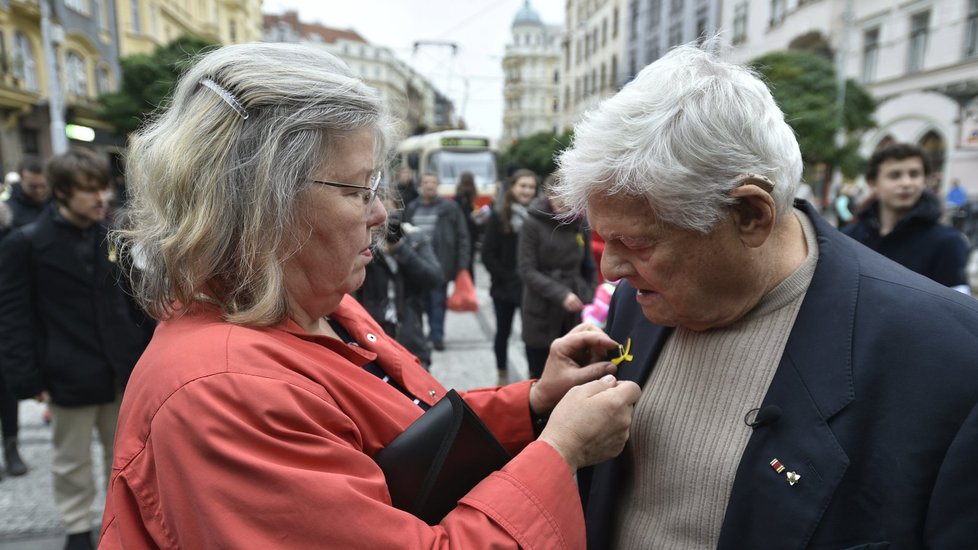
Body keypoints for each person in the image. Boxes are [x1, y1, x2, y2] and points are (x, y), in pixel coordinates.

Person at [98, 42, 641, 549]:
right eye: (358, 189)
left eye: (378, 187)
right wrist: (558, 453)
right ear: (265, 205)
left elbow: (404, 437)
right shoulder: (221, 393)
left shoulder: (317, 308)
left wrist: (532, 404)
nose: (381, 213)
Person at [555, 42, 978, 548]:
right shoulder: (642, 298)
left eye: (638, 243)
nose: (611, 270)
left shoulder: (951, 360)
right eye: (606, 238)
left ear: (751, 215)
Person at [0, 150, 154, 550]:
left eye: (102, 187)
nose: (101, 197)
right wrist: (27, 377)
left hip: (120, 367)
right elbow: (13, 316)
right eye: (89, 190)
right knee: (72, 460)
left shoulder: (110, 238)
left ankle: (118, 523)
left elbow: (136, 302)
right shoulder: (26, 243)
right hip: (67, 370)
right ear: (63, 192)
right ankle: (76, 529)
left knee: (125, 458)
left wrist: (148, 356)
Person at [843, 143, 970, 293]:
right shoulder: (848, 238)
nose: (906, 183)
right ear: (873, 183)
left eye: (914, 174)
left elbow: (956, 309)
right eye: (895, 175)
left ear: (924, 180)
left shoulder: (947, 242)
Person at [518, 178, 596, 379]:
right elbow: (527, 270)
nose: (562, 199)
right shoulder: (532, 222)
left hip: (573, 309)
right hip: (541, 308)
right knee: (540, 376)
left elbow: (588, 265)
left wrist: (588, 293)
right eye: (556, 193)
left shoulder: (580, 222)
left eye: (567, 194)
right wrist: (561, 294)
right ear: (548, 194)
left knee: (574, 372)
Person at [356, 198, 443, 369]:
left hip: (410, 332)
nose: (385, 219)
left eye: (391, 212)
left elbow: (434, 278)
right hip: (373, 332)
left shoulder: (414, 238)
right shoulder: (363, 244)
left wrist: (401, 248)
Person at [482, 169, 538, 385]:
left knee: (531, 335)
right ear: (513, 187)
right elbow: (488, 254)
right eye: (523, 186)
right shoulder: (499, 215)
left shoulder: (538, 216)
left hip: (530, 287)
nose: (526, 191)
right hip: (504, 286)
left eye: (531, 187)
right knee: (502, 333)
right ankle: (502, 374)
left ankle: (533, 376)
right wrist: (506, 276)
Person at [404, 173, 470, 351]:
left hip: (441, 265)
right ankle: (425, 334)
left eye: (433, 182)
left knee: (438, 302)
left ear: (438, 185)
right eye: (426, 182)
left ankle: (437, 336)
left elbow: (462, 236)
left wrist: (462, 265)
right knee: (421, 303)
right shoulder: (412, 207)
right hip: (417, 266)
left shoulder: (450, 208)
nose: (429, 186)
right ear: (420, 186)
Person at [4, 156, 50, 227]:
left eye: (43, 186)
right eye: (33, 186)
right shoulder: (8, 211)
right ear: (21, 181)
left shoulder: (58, 202)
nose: (39, 191)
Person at [453, 171, 481, 280]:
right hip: (469, 233)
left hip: (464, 234)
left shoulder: (459, 196)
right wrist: (472, 216)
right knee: (468, 262)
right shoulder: (465, 198)